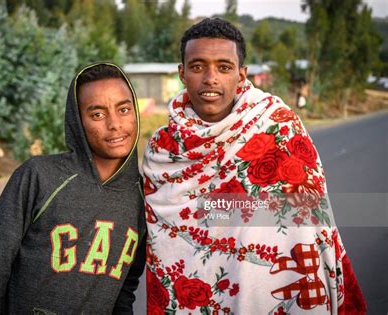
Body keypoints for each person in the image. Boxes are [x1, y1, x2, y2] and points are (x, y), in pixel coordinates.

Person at [143, 18, 366, 314]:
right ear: (182, 73)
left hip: (269, 287)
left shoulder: (278, 126)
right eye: (198, 67)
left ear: (241, 74)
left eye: (224, 67)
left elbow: (309, 208)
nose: (211, 78)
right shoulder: (162, 150)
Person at [0, 63, 146, 314]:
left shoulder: (143, 198)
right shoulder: (40, 176)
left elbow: (125, 289)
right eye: (97, 114)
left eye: (124, 109)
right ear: (78, 122)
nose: (115, 124)